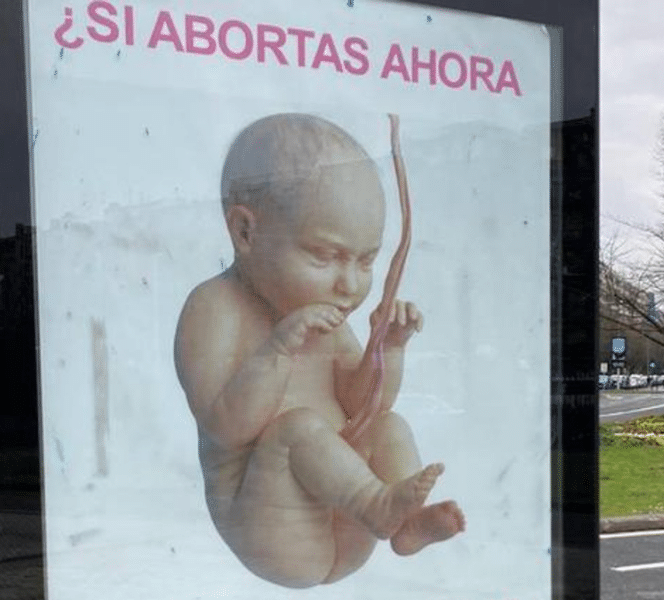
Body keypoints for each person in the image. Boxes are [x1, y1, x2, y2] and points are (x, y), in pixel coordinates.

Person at [174, 113, 464, 588]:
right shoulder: (214, 308)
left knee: (387, 424)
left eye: (365, 261)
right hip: (270, 530)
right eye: (325, 256)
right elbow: (226, 427)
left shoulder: (321, 312)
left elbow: (363, 402)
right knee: (297, 431)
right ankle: (380, 505)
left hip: (346, 527)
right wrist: (279, 349)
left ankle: (406, 523)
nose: (349, 286)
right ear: (246, 232)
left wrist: (386, 349)